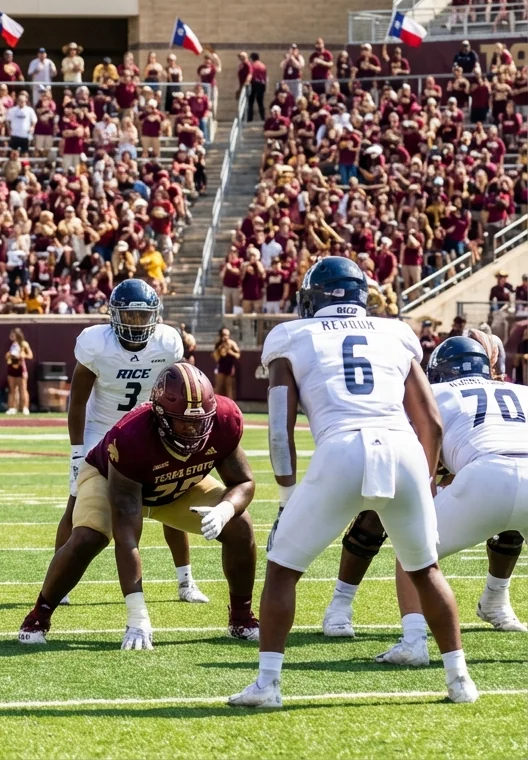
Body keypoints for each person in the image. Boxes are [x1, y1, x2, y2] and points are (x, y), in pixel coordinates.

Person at [230, 257, 476, 708]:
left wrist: (287, 497)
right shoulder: (396, 333)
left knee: (283, 568)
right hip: (402, 448)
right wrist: (421, 482)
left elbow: (280, 426)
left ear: (313, 299)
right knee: (425, 570)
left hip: (341, 448)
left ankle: (267, 685)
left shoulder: (291, 336)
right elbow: (433, 424)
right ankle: (460, 680)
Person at [19, 364, 260, 648]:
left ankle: (241, 618)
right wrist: (138, 616)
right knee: (89, 536)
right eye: (184, 421)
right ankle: (39, 615)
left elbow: (243, 482)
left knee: (240, 524)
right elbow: (127, 537)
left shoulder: (223, 419)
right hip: (109, 477)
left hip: (176, 485)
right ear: (160, 415)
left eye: (201, 420)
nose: (195, 429)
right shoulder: (131, 438)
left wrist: (224, 510)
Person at [318, 336, 528, 648]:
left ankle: (410, 630)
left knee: (412, 547)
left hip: (481, 471)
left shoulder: (436, 393)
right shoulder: (520, 391)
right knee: (385, 510)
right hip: (492, 467)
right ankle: (341, 604)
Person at [52, 279, 208, 606]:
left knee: (170, 497)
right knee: (76, 500)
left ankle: (185, 581)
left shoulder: (166, 342)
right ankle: (60, 583)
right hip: (101, 428)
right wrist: (77, 452)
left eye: (142, 315)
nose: (136, 324)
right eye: (130, 316)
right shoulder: (97, 344)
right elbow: (77, 401)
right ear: (114, 316)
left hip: (148, 426)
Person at [5, 327, 33, 415]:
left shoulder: (24, 344)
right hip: (11, 367)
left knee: (23, 388)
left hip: (21, 368)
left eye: (13, 334)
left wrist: (23, 355)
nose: (11, 336)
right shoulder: (11, 344)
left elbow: (30, 355)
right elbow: (6, 357)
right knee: (12, 389)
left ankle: (25, 407)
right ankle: (12, 407)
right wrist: (9, 355)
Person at [213, 327, 240, 399]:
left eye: (226, 335)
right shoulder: (218, 344)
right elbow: (216, 358)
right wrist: (220, 349)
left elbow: (238, 355)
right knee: (218, 388)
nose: (225, 337)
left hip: (230, 369)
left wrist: (230, 352)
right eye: (223, 335)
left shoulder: (232, 344)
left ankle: (231, 406)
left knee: (229, 389)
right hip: (220, 369)